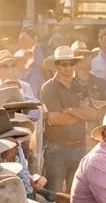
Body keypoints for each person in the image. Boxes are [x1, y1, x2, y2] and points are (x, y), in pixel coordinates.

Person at [40, 45, 99, 195]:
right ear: (57, 66)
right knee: (54, 194)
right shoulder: (49, 88)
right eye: (63, 64)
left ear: (75, 64)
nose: (67, 68)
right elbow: (56, 119)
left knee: (76, 194)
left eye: (71, 63)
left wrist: (71, 111)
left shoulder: (79, 85)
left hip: (79, 146)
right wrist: (81, 113)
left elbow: (93, 114)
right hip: (57, 149)